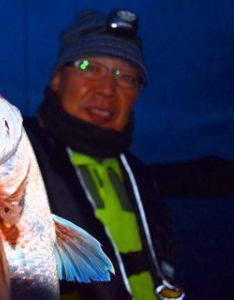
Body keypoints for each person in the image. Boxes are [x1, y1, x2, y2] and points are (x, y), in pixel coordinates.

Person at [24, 10, 184, 299]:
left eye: (126, 77)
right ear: (57, 78)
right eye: (89, 66)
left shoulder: (140, 176)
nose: (107, 90)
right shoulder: (15, 156)